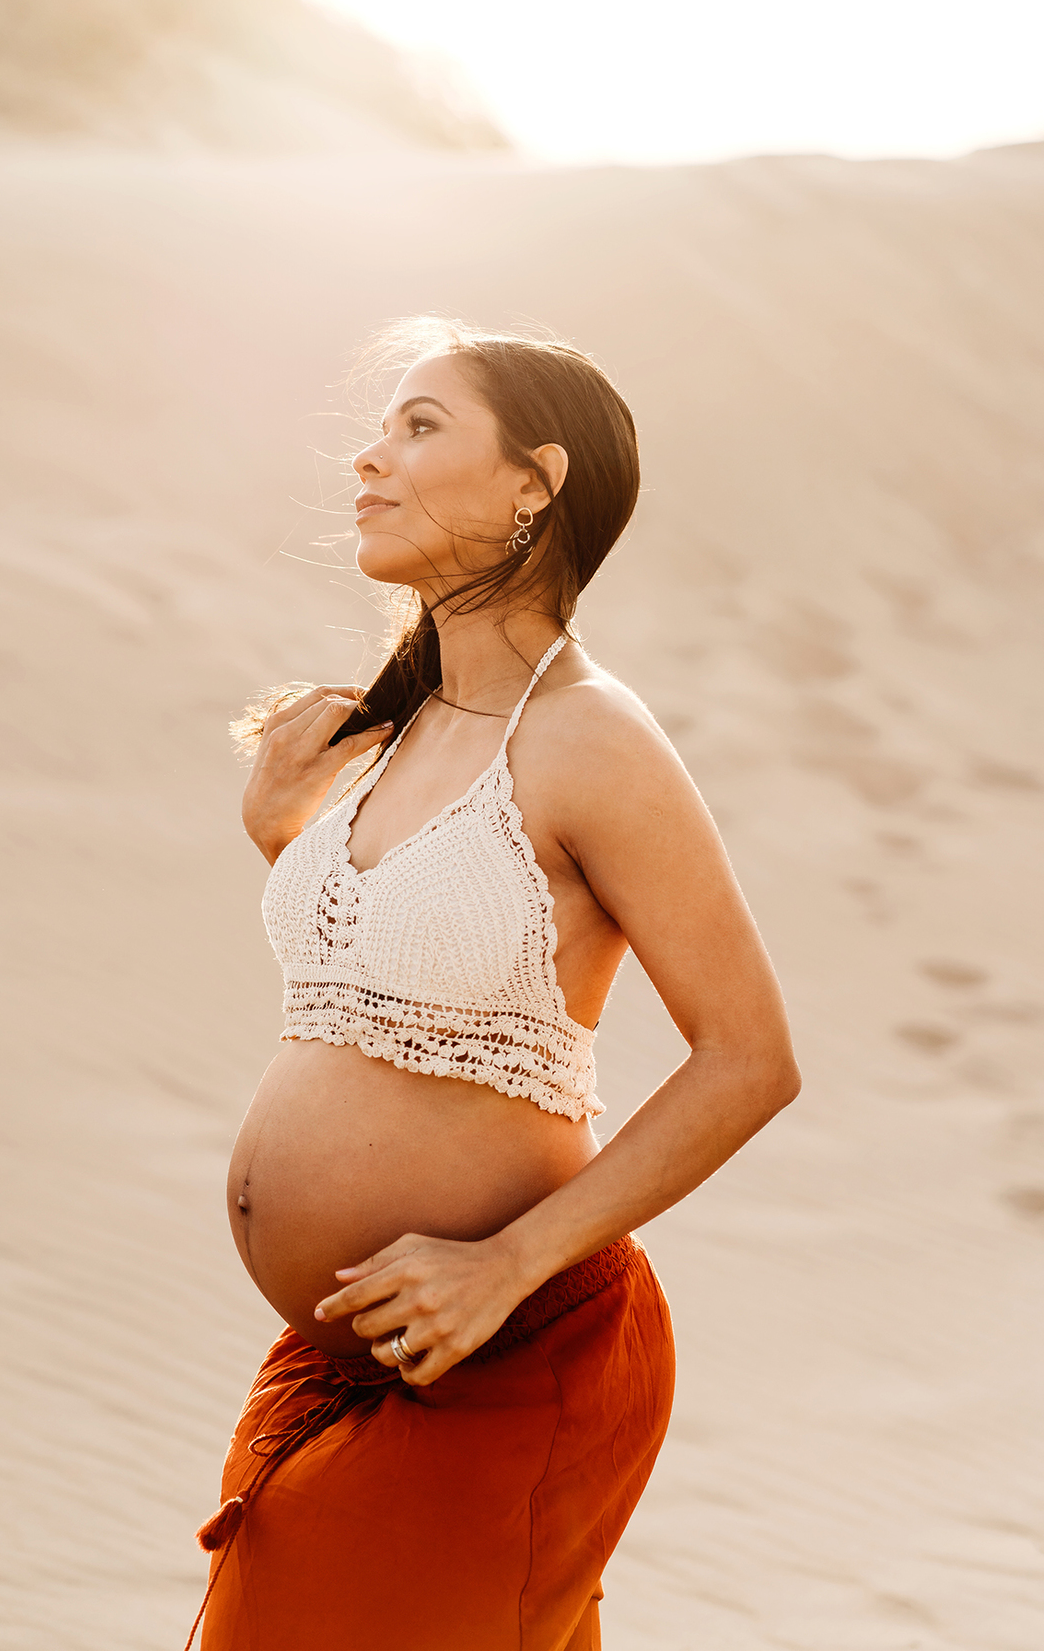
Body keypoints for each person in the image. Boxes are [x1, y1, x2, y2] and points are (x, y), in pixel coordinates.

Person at [186, 320, 800, 1651]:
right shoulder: (401, 728)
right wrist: (280, 843)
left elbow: (751, 1056)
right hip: (356, 1354)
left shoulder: (594, 739)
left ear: (536, 481)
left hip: (509, 1344)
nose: (369, 455)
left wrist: (501, 1266)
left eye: (420, 426)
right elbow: (397, 989)